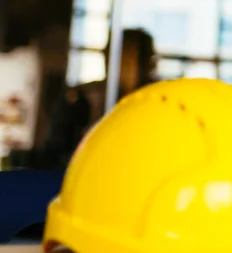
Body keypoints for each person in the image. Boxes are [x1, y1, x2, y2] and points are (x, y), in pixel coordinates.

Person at [42, 28, 158, 163]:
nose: (120, 67)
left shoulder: (159, 104)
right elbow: (54, 156)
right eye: (113, 57)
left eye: (128, 60)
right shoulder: (79, 99)